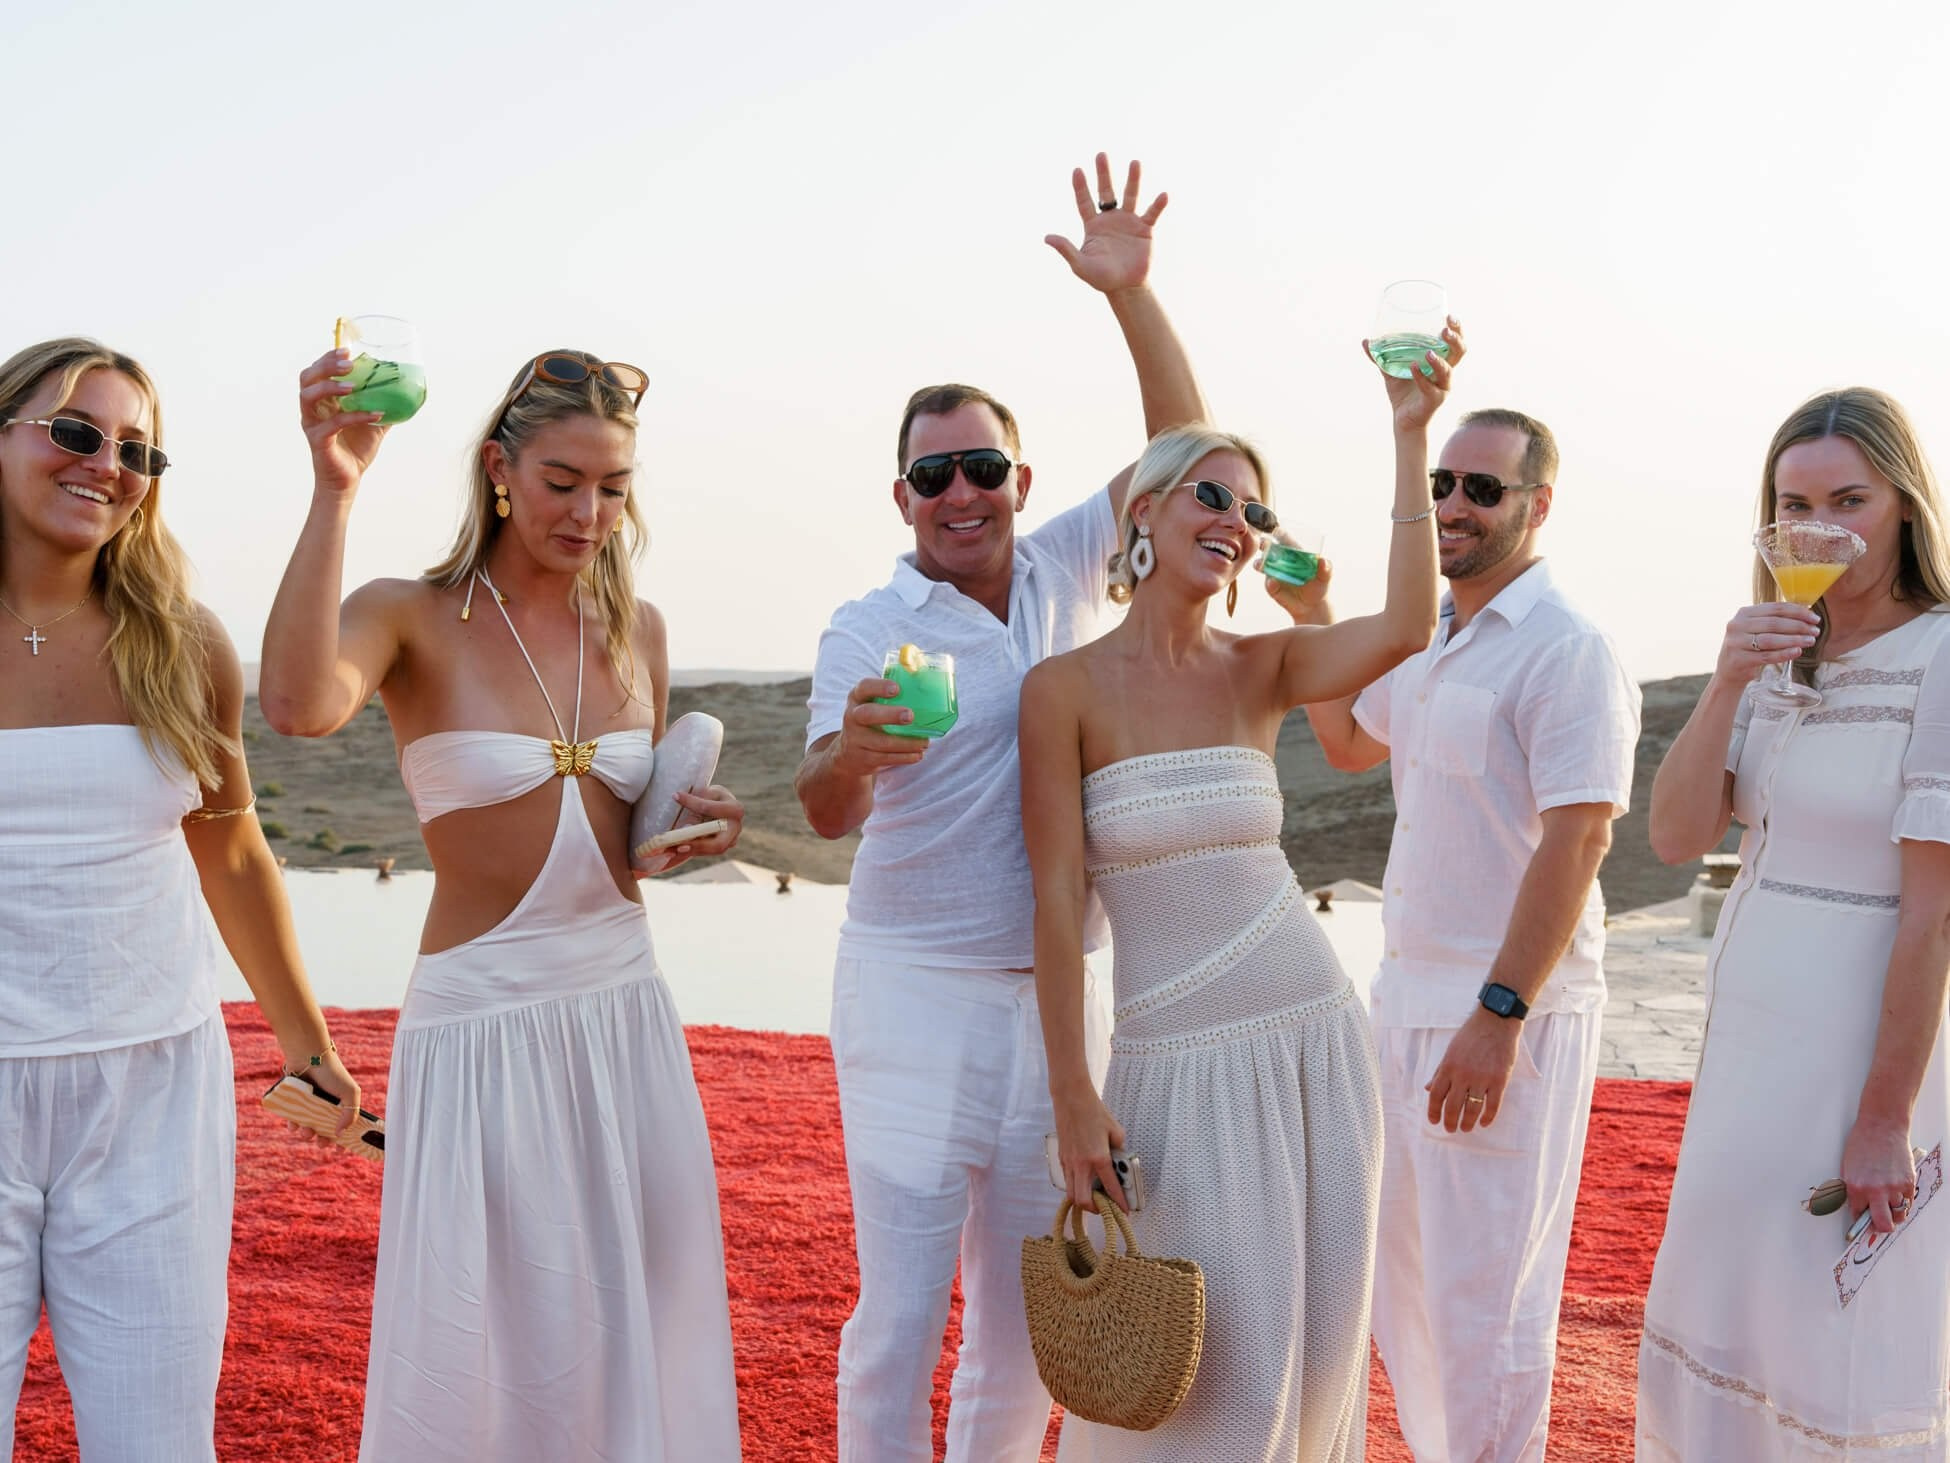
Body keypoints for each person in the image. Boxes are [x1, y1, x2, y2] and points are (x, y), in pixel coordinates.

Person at [261, 346, 744, 1460]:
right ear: (498, 469)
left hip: (624, 1013)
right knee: (485, 1339)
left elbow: (627, 855)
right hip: (481, 1023)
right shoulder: (409, 614)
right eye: (563, 480)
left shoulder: (642, 630)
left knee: (636, 1318)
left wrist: (697, 832)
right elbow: (292, 703)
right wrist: (336, 487)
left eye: (614, 488)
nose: (590, 512)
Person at [795, 153, 1205, 1462]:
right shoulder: (867, 625)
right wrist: (855, 755)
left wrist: (1129, 296)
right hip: (909, 989)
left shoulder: (1065, 568)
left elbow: (1191, 460)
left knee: (1028, 1318)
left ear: (1022, 479)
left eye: (982, 465)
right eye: (932, 476)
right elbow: (815, 807)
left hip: (1052, 999)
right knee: (901, 1311)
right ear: (901, 498)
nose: (960, 492)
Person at [1022, 325, 1455, 1458]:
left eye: (1253, 511)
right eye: (1212, 495)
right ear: (1146, 513)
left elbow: (1408, 626)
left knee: (1308, 1359)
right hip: (1170, 1064)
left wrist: (1410, 434)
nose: (1234, 521)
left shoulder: (1262, 666)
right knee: (1203, 1368)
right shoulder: (1062, 688)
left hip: (1312, 1040)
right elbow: (1059, 901)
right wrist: (1073, 1088)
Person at [0, 338, 362, 1460]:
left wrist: (307, 1040)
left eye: (137, 449)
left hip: (153, 1090)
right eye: (75, 431)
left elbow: (233, 847)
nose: (108, 464)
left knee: (157, 1439)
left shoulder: (185, 639)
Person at [1301, 401, 1641, 1462]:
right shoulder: (1433, 635)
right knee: (1399, 1293)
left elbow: (1580, 840)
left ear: (1537, 505)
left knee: (1485, 1304)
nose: (1453, 503)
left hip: (1506, 1013)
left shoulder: (1568, 648)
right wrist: (1316, 613)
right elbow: (1351, 741)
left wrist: (1500, 1012)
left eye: (1481, 488)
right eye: (1444, 483)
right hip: (1401, 1000)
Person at [1637, 387, 1950, 1459]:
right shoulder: (1778, 654)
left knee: (1833, 1332)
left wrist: (1883, 1114)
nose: (1820, 529)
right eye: (1793, 505)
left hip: (1859, 1047)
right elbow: (1677, 835)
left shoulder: (1944, 657)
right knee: (1731, 1309)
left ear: (1906, 505)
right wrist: (1727, 680)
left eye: (1850, 499)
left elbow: (1934, 915)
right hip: (1746, 1044)